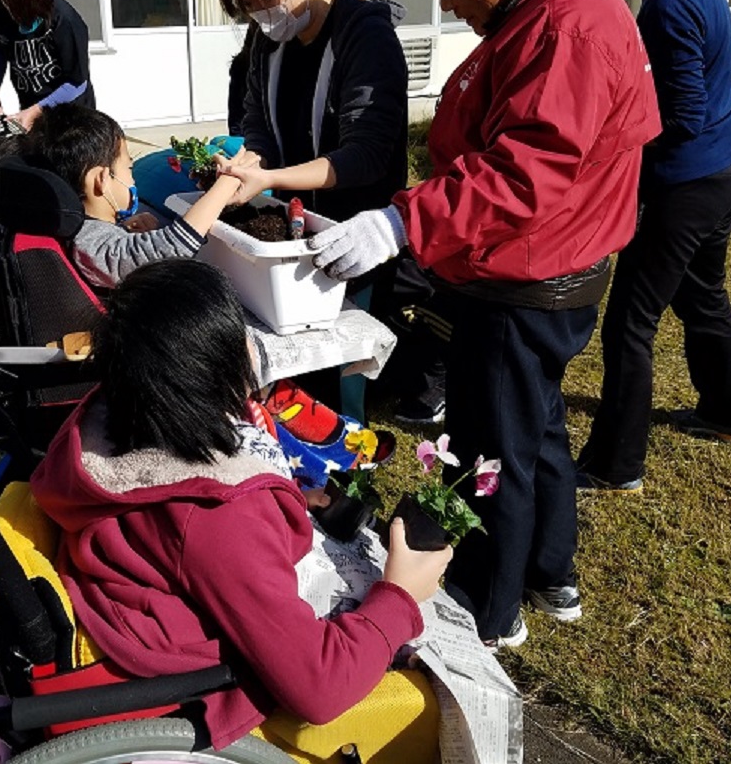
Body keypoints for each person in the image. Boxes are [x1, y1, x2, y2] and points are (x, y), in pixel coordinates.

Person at [307, 0, 661, 647]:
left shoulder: (565, 24)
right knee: (534, 429)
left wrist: (401, 223)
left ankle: (487, 606)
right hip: (550, 263)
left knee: (485, 446)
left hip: (529, 270)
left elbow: (522, 170)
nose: (446, 0)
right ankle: (549, 570)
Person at [29, 259, 452, 750]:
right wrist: (399, 594)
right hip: (191, 696)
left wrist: (280, 497)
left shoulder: (108, 420)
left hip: (141, 619)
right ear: (222, 368)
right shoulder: (215, 516)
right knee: (420, 707)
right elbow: (320, 689)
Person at [576, 0, 731, 494]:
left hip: (691, 181)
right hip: (728, 165)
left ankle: (615, 463)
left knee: (631, 317)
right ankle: (728, 414)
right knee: (702, 292)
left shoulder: (670, 4)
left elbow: (679, 114)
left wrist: (613, 155)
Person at [215, 0, 409, 422]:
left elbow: (365, 155)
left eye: (266, 0)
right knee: (290, 375)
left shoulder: (364, 36)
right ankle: (299, 480)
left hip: (354, 237)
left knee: (338, 379)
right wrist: (245, 167)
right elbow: (257, 125)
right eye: (249, 7)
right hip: (292, 236)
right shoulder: (268, 42)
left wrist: (269, 177)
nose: (261, 16)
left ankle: (344, 482)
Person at [22, 103, 242, 290]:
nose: (133, 180)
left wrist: (124, 230)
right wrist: (228, 180)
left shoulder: (77, 229)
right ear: (101, 180)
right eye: (129, 169)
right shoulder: (90, 244)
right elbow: (173, 244)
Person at [0, 0, 95, 131]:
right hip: (31, 109)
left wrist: (35, 111)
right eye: (5, 0)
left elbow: (77, 83)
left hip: (73, 116)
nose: (8, 8)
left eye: (14, 4)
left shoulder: (65, 20)